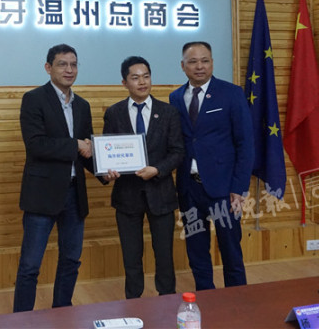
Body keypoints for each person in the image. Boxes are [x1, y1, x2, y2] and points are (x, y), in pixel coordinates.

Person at [13, 43, 96, 312]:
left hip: (74, 194)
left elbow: (86, 151)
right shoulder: (34, 99)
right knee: (30, 266)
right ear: (48, 68)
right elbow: (36, 144)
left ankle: (62, 313)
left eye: (73, 64)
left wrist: (105, 171)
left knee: (71, 260)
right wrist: (76, 145)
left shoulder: (82, 105)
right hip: (42, 195)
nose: (69, 70)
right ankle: (22, 319)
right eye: (62, 64)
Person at [169, 41, 254, 290]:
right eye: (193, 61)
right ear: (183, 66)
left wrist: (239, 187)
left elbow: (245, 143)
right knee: (196, 250)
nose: (200, 66)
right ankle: (206, 298)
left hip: (224, 190)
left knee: (230, 250)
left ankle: (237, 301)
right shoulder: (176, 97)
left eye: (205, 61)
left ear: (212, 63)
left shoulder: (231, 93)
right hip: (189, 188)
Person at [103, 56, 184, 299]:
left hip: (161, 193)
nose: (142, 82)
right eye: (135, 78)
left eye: (146, 76)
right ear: (124, 82)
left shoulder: (168, 112)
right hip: (127, 194)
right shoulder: (114, 113)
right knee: (131, 256)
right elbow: (107, 151)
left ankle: (167, 299)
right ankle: (133, 302)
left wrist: (157, 169)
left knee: (164, 254)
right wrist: (108, 170)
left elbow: (178, 152)